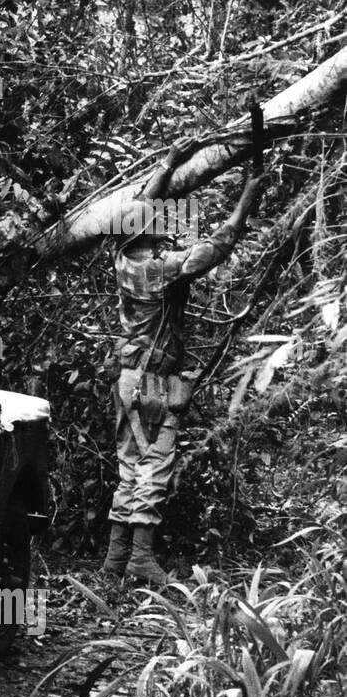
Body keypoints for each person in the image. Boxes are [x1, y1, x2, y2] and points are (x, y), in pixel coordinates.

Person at [101, 143, 263, 584]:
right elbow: (218, 247)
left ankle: (116, 560)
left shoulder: (124, 259)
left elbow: (142, 207)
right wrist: (249, 193)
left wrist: (168, 163)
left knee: (129, 467)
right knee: (154, 468)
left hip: (132, 379)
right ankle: (139, 557)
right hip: (152, 385)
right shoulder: (157, 268)